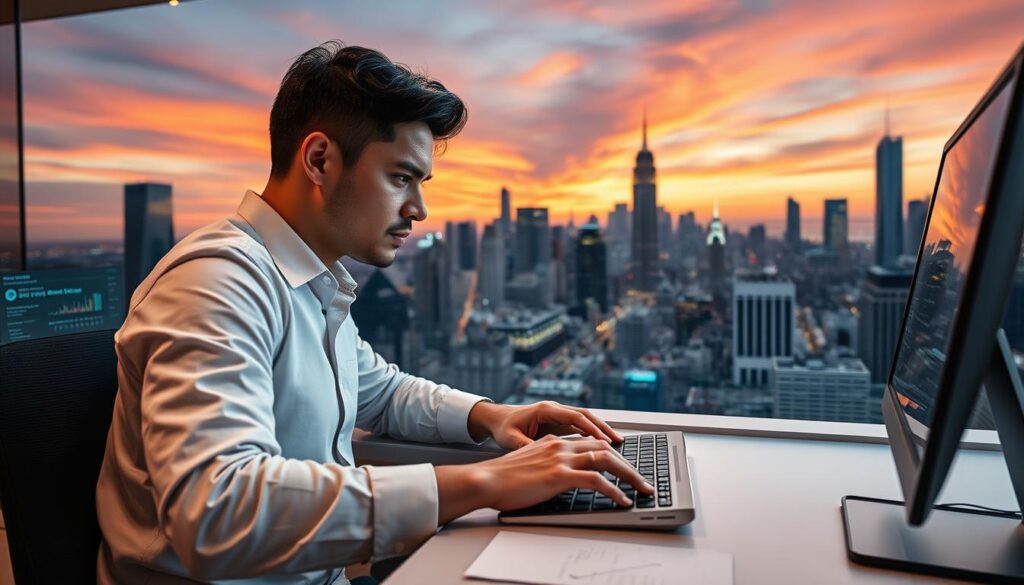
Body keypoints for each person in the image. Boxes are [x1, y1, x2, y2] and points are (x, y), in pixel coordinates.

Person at [95, 41, 653, 584]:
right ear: (320, 160)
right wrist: (483, 482)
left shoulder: (311, 280)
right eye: (401, 177)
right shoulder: (217, 282)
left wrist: (492, 417)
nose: (419, 209)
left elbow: (379, 390)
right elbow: (215, 511)